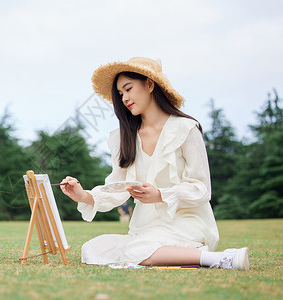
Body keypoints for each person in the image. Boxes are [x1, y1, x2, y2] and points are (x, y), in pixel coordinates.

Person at [60, 57, 249, 270]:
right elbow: (117, 188)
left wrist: (160, 195)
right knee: (92, 248)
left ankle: (217, 258)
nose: (124, 98)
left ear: (150, 84)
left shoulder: (186, 129)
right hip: (145, 229)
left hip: (186, 222)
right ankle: (181, 257)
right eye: (120, 94)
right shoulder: (122, 138)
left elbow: (202, 189)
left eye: (128, 89)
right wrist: (82, 195)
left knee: (135, 250)